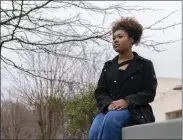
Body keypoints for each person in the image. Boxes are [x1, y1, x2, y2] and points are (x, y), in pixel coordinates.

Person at [88, 17, 157, 140]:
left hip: (135, 111)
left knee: (112, 119)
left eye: (120, 37)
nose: (115, 40)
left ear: (131, 40)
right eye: (113, 38)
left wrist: (127, 101)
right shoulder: (108, 66)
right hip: (109, 110)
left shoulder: (145, 64)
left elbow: (149, 92)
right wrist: (108, 104)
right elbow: (100, 92)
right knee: (95, 128)